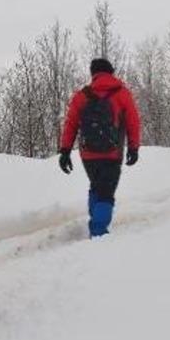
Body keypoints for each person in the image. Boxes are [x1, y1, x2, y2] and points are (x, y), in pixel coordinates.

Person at [58, 58, 141, 238]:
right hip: (112, 153)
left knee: (96, 186)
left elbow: (70, 124)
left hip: (88, 154)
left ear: (93, 74)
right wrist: (134, 148)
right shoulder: (122, 93)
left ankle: (96, 221)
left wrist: (65, 151)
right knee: (106, 192)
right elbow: (133, 122)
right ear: (111, 72)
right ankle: (98, 233)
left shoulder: (82, 95)